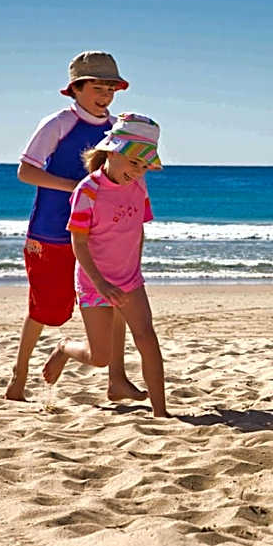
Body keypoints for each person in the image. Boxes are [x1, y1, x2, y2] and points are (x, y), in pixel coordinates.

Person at [7, 51, 145, 403]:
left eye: (111, 88)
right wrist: (77, 188)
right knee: (46, 310)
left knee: (112, 302)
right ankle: (18, 380)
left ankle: (117, 381)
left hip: (97, 234)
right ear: (76, 89)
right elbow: (26, 171)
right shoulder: (57, 123)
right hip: (50, 231)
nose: (105, 95)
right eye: (98, 87)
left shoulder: (116, 129)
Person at [41, 113, 168, 418]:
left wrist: (134, 269)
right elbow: (79, 243)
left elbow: (138, 229)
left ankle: (161, 411)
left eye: (144, 165)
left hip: (129, 279)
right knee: (100, 356)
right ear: (112, 151)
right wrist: (101, 284)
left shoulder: (139, 186)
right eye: (132, 162)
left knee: (147, 338)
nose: (137, 171)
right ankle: (64, 349)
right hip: (93, 282)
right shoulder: (88, 191)